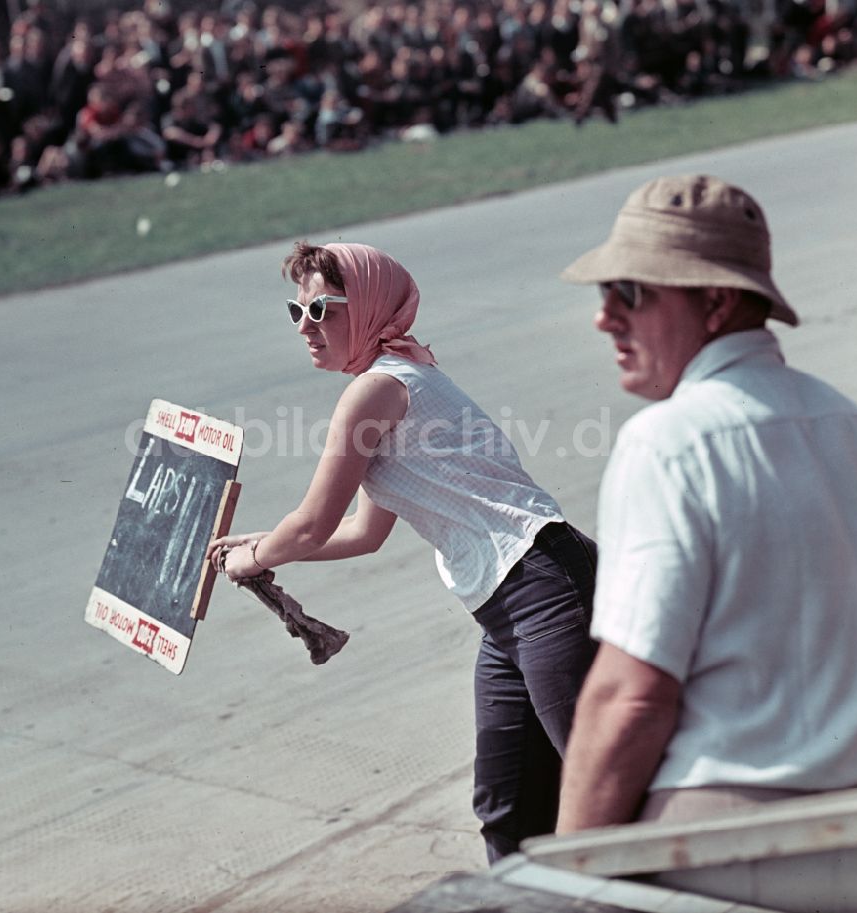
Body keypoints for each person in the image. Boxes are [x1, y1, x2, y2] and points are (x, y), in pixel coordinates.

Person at [207, 241, 598, 862]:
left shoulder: (379, 389)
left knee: (603, 799)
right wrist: (261, 543)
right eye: (297, 312)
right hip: (507, 613)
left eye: (323, 310)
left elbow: (310, 526)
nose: (307, 328)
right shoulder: (393, 382)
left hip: (545, 588)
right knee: (508, 810)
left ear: (365, 308)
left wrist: (256, 559)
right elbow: (364, 533)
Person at [555, 174, 857, 832]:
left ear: (716, 302)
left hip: (727, 831)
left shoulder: (667, 443)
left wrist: (563, 878)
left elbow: (629, 697)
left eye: (628, 292)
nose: (604, 316)